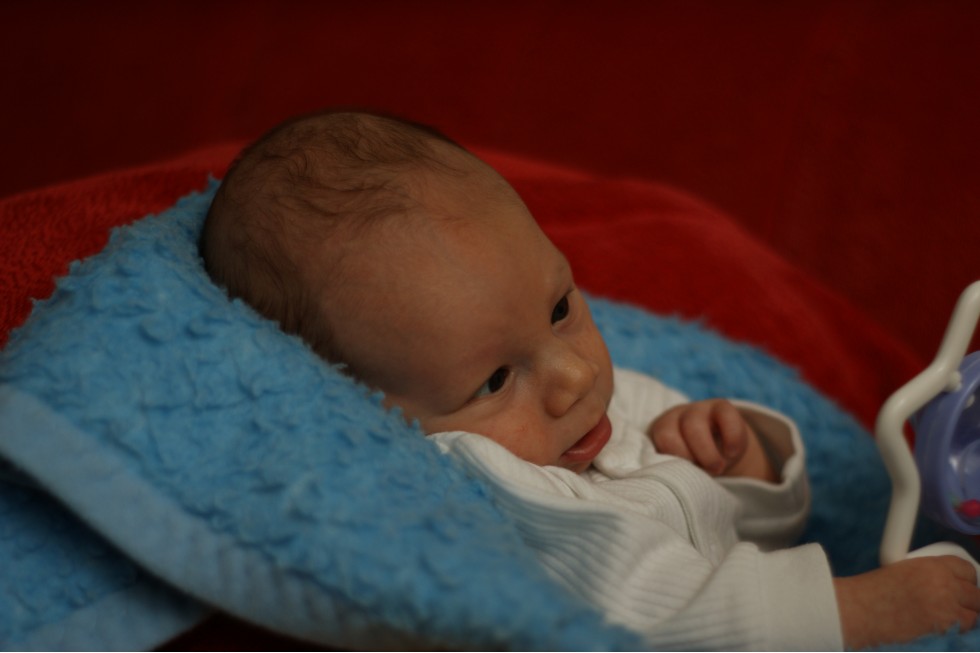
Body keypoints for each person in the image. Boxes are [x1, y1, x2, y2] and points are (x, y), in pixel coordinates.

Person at [200, 109, 980, 649]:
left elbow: (752, 535)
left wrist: (742, 463)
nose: (573, 376)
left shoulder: (592, 405)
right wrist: (858, 610)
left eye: (560, 307)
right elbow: (655, 619)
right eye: (495, 379)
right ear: (374, 412)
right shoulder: (485, 482)